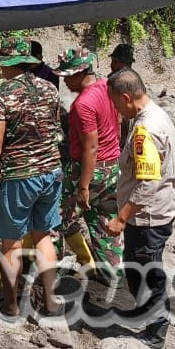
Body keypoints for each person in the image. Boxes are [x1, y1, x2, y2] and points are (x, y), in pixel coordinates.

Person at [0, 36, 64, 318]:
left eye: (2, 64)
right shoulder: (50, 89)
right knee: (43, 237)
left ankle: (11, 305)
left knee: (11, 242)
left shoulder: (0, 95)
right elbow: (54, 130)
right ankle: (50, 302)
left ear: (9, 64)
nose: (0, 70)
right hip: (51, 172)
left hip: (19, 175)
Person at [104, 68, 175, 349]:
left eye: (115, 103)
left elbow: (148, 183)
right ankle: (150, 319)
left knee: (147, 273)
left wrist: (121, 218)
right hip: (156, 211)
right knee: (140, 269)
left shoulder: (144, 130)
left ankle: (155, 333)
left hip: (147, 217)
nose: (115, 109)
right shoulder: (158, 115)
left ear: (126, 97)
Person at [55, 48, 124, 283]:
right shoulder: (108, 87)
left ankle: (55, 263)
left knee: (57, 214)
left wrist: (83, 185)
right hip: (112, 166)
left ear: (81, 72)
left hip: (87, 168)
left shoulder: (83, 104)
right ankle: (112, 271)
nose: (64, 81)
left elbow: (90, 147)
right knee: (104, 219)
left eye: (67, 76)